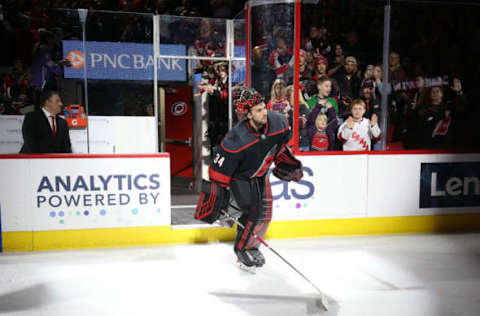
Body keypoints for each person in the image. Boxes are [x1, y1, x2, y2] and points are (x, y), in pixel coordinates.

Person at [194, 87, 303, 270]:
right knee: (253, 212)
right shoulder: (234, 140)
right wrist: (216, 198)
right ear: (248, 115)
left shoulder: (279, 122)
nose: (264, 112)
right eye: (258, 110)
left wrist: (288, 164)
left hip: (260, 174)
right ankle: (242, 249)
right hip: (241, 178)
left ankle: (252, 246)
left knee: (265, 216)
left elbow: (282, 147)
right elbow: (217, 173)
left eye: (264, 107)